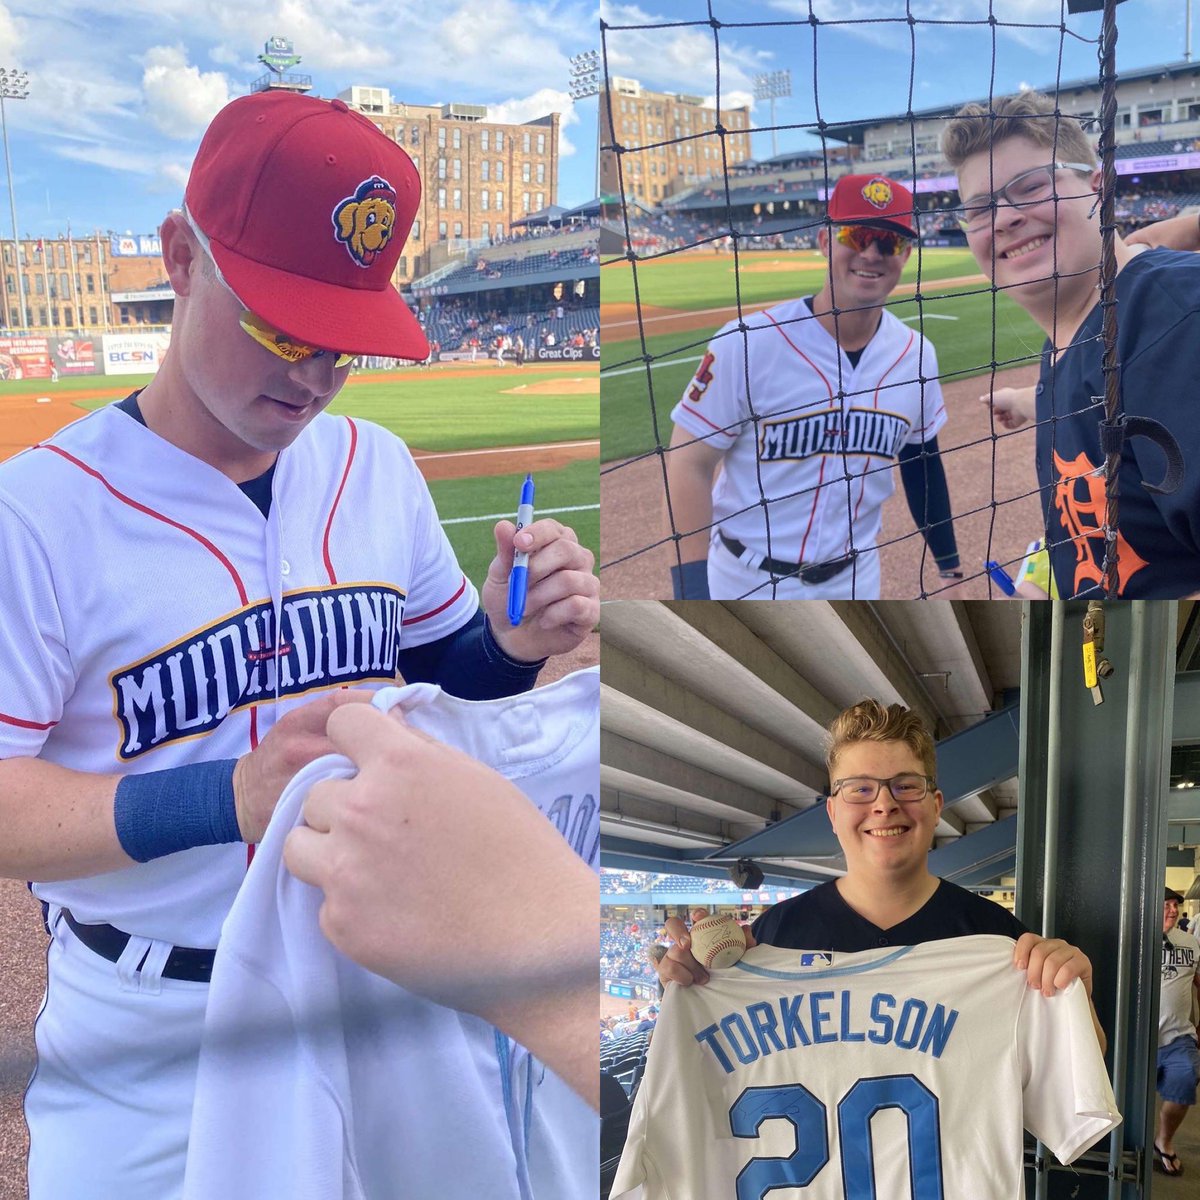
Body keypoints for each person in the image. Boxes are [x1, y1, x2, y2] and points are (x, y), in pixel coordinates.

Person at [0, 90, 597, 1200]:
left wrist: (509, 644)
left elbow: (442, 668)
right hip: (155, 1042)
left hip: (383, 996)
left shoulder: (376, 467)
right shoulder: (33, 516)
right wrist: (224, 797)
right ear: (182, 257)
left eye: (346, 345)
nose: (315, 376)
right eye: (282, 327)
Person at [655, 699, 1107, 1054]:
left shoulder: (999, 942)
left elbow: (1073, 1081)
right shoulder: (773, 937)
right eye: (859, 788)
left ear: (935, 804)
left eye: (907, 785)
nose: (884, 804)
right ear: (833, 812)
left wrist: (1074, 999)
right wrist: (690, 993)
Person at [942, 91, 1200, 598]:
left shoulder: (1177, 321)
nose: (1003, 218)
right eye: (979, 209)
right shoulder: (1069, 337)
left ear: (1098, 189)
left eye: (1031, 186)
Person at [665, 174, 963, 601]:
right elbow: (688, 464)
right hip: (744, 581)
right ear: (825, 241)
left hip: (857, 580)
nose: (872, 253)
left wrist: (950, 568)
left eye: (890, 242)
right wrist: (691, 594)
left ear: (907, 254)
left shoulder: (916, 355)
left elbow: (922, 462)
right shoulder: (747, 343)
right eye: (858, 235)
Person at [1155, 887, 1200, 1176]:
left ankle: (1164, 1140)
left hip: (1178, 1035)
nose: (1173, 910)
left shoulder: (1190, 943)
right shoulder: (1132, 938)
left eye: (1175, 905)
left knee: (1185, 1080)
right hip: (1135, 1039)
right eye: (1166, 905)